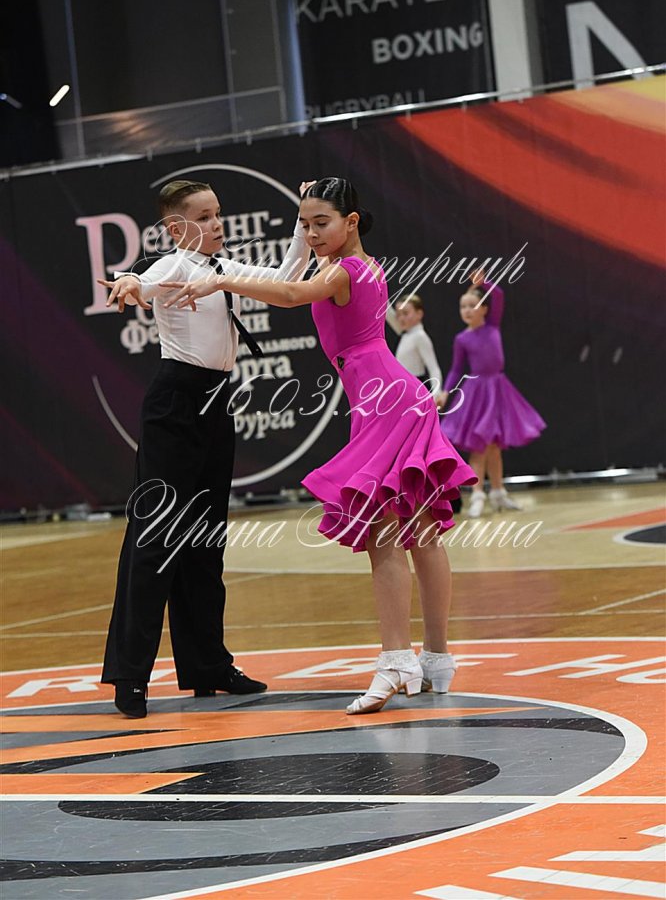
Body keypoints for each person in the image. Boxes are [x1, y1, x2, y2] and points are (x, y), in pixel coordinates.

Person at [161, 177, 476, 716]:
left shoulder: (343, 270)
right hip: (392, 396)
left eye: (321, 223)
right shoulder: (360, 265)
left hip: (385, 400)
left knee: (384, 534)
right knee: (422, 532)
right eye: (304, 224)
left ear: (351, 222)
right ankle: (437, 659)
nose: (310, 233)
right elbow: (295, 279)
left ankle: (395, 661)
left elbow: (289, 295)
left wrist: (221, 281)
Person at [98, 179, 311, 718]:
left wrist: (302, 223)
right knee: (155, 539)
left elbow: (287, 279)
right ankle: (130, 674)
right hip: (174, 405)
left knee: (206, 541)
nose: (218, 224)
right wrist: (127, 283)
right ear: (176, 228)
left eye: (219, 213)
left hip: (216, 403)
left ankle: (208, 666)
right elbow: (143, 281)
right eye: (205, 216)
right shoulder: (172, 266)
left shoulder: (223, 269)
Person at [439, 273, 546, 518]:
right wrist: (446, 391)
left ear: (484, 309)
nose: (467, 310)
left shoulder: (492, 325)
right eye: (463, 307)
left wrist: (483, 283)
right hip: (478, 393)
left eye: (472, 305)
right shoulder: (462, 338)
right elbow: (456, 368)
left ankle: (498, 493)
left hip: (498, 390)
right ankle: (477, 494)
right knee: (480, 446)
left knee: (494, 446)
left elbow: (499, 294)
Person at [386, 295, 462, 515]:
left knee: (427, 449)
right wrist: (376, 285)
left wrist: (436, 393)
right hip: (404, 397)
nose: (401, 318)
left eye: (406, 313)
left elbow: (434, 367)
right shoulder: (406, 334)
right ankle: (417, 495)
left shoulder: (419, 336)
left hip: (417, 395)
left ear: (419, 314)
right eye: (399, 314)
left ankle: (450, 498)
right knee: (416, 449)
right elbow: (388, 314)